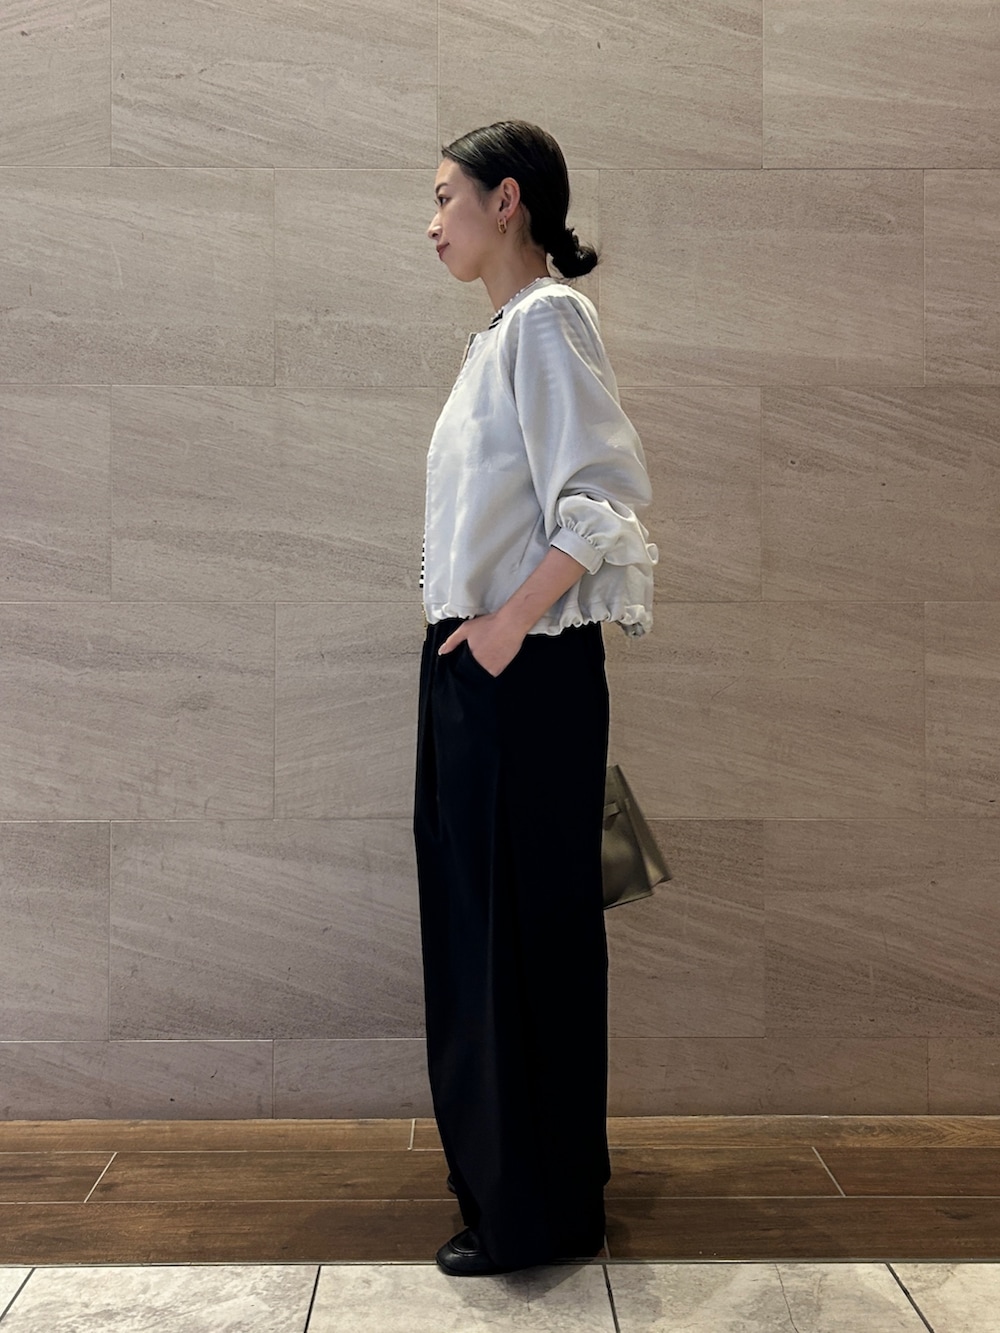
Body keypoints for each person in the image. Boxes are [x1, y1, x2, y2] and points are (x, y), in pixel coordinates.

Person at [414, 119, 657, 1277]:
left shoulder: (550, 320)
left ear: (506, 200)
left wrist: (503, 630)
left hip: (519, 674)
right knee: (488, 930)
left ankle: (536, 1211)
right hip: (482, 669)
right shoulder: (502, 336)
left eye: (445, 197)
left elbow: (602, 502)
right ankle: (519, 1195)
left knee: (518, 934)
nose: (431, 223)